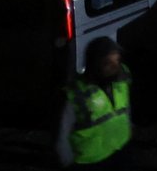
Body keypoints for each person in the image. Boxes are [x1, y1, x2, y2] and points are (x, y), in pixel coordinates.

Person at [57, 36, 133, 167]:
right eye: (108, 61)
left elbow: (125, 108)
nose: (115, 65)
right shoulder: (77, 93)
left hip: (121, 148)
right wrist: (68, 161)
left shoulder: (121, 78)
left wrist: (129, 127)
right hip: (91, 160)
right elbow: (62, 133)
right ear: (96, 63)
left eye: (117, 59)